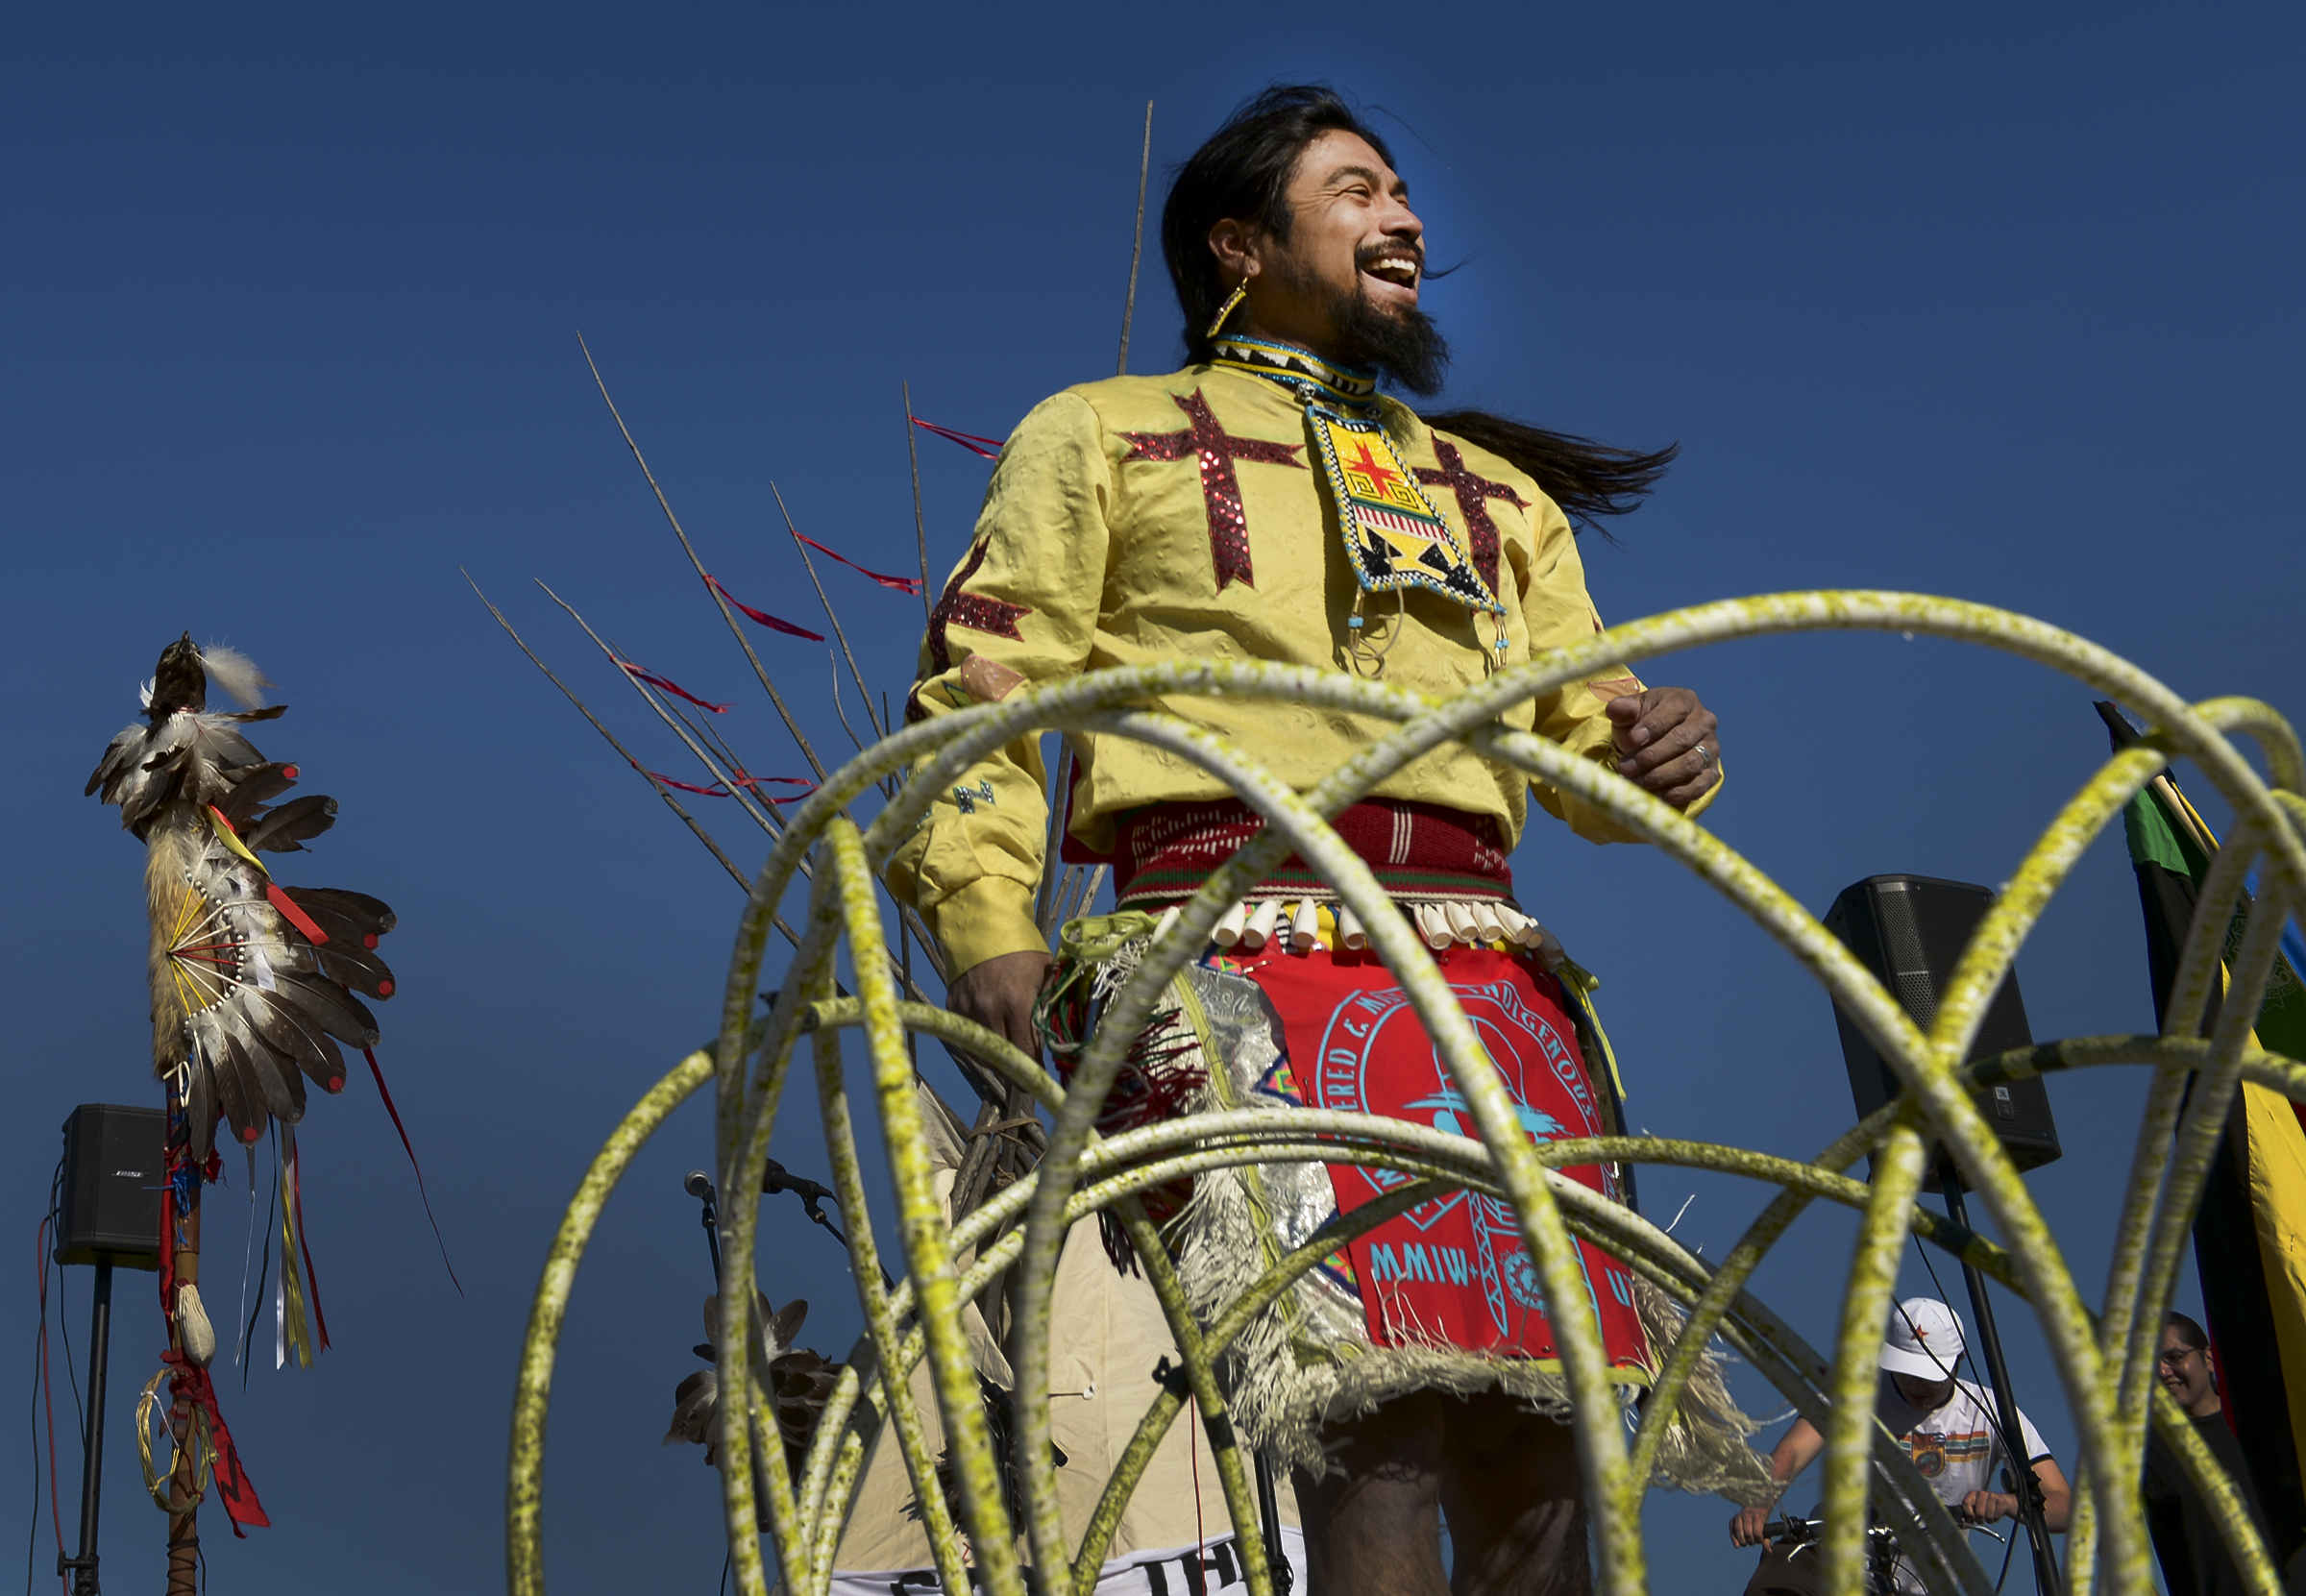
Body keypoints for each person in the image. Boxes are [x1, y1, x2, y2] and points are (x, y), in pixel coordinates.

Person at [891, 84, 1765, 1596]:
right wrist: (988, 921)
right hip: (1237, 960)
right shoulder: (1105, 436)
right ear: (1238, 244)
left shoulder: (1494, 495)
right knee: (1371, 1432)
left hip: (1492, 986)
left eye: (1403, 193)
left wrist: (1655, 743)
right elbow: (983, 679)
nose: (1407, 221)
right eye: (1357, 192)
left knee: (1548, 1449)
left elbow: (1576, 729)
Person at [1728, 1297, 2072, 1594]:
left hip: (1921, 1582)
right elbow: (1791, 1453)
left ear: (1959, 1361)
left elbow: (2065, 1505)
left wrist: (2007, 1503)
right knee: (1774, 1581)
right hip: (1827, 1559)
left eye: (1931, 1375)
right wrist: (1759, 1505)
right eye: (1907, 1371)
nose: (1917, 1385)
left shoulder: (1993, 1413)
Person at [2144, 1311, 2269, 1596]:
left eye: (2174, 1357)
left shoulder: (2262, 1423)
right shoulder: (2145, 1450)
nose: (2163, 1372)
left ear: (2209, 1358)